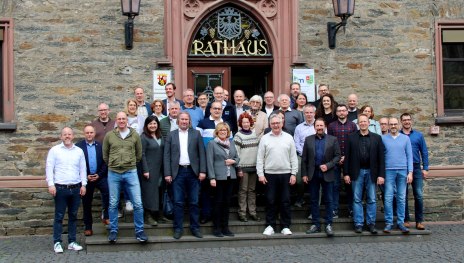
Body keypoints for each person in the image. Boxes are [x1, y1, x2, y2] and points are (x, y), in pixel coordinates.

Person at [103, 112, 147, 243]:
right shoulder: (109, 135)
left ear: (127, 120)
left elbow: (139, 154)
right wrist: (114, 164)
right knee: (113, 203)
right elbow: (105, 155)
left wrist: (130, 163)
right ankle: (113, 231)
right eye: (119, 119)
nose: (121, 121)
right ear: (116, 121)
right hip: (114, 173)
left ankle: (139, 231)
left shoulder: (134, 135)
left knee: (138, 203)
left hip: (131, 172)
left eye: (124, 119)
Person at [164, 112, 207, 239]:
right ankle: (178, 228)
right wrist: (167, 173)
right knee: (178, 202)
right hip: (177, 172)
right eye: (181, 119)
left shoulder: (196, 134)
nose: (184, 121)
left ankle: (195, 228)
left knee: (194, 202)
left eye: (186, 119)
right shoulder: (171, 135)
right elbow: (166, 155)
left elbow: (202, 154)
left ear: (189, 121)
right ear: (178, 121)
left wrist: (203, 171)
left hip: (193, 172)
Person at [46, 127, 87, 253]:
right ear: (61, 136)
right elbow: (49, 168)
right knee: (59, 216)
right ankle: (57, 242)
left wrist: (84, 184)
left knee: (73, 216)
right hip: (60, 189)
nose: (67, 136)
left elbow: (82, 169)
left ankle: (72, 241)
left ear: (73, 136)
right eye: (65, 134)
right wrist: (51, 185)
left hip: (75, 189)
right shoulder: (54, 150)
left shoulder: (79, 151)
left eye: (69, 134)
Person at [343, 114, 385, 234]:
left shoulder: (377, 138)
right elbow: (347, 157)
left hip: (372, 172)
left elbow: (381, 159)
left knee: (371, 199)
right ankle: (359, 223)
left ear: (369, 123)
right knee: (357, 199)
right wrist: (346, 173)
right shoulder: (351, 138)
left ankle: (371, 223)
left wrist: (381, 175)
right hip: (357, 172)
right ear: (358, 124)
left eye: (365, 121)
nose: (363, 123)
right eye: (360, 122)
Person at [257, 114, 298, 236]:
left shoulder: (289, 138)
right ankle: (270, 225)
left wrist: (294, 173)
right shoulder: (264, 138)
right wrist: (260, 174)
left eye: (278, 123)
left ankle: (285, 226)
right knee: (270, 200)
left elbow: (293, 157)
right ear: (270, 124)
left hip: (286, 174)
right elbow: (260, 158)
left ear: (282, 124)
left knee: (285, 201)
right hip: (269, 174)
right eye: (273, 123)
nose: (275, 125)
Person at [302, 118, 341, 237]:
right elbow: (304, 159)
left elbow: (338, 156)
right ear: (314, 127)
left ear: (325, 127)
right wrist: (304, 174)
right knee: (313, 200)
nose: (319, 127)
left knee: (329, 199)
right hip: (313, 173)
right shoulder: (308, 140)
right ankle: (315, 224)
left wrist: (328, 165)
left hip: (327, 173)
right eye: (317, 125)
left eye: (321, 125)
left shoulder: (332, 139)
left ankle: (329, 224)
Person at [76, 125, 109, 237]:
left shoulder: (100, 146)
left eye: (91, 132)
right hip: (86, 178)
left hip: (99, 176)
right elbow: (76, 164)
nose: (89, 134)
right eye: (87, 133)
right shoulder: (78, 147)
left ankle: (106, 215)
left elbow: (105, 162)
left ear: (94, 133)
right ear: (84, 134)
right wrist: (85, 176)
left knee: (108, 191)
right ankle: (88, 227)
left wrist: (99, 175)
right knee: (86, 203)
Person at [207, 123, 239, 237]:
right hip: (218, 178)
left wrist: (233, 161)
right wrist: (212, 177)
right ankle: (217, 228)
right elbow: (209, 162)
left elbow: (237, 158)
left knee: (227, 203)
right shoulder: (212, 143)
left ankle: (225, 227)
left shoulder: (231, 143)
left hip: (230, 177)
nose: (223, 132)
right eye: (221, 130)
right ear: (217, 132)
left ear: (228, 132)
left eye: (225, 130)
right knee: (218, 203)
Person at [382, 117, 413, 234]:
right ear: (388, 126)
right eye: (391, 124)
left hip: (402, 171)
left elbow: (409, 156)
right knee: (388, 197)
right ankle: (389, 222)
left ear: (399, 125)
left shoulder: (405, 139)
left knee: (401, 198)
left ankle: (401, 222)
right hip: (388, 171)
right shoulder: (383, 139)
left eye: (395, 124)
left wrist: (410, 172)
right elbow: (381, 157)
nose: (393, 126)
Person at [327, 104, 358, 218]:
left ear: (347, 112)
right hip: (335, 159)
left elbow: (355, 142)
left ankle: (351, 209)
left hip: (349, 159)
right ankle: (335, 209)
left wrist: (346, 156)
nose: (341, 112)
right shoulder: (331, 126)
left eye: (343, 111)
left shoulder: (353, 126)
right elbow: (329, 143)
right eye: (339, 111)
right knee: (335, 185)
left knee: (350, 185)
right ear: (336, 113)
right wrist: (338, 157)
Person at [400, 113, 429, 230]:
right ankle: (406, 220)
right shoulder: (398, 135)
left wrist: (425, 168)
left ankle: (419, 221)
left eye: (408, 120)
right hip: (403, 167)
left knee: (419, 195)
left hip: (416, 168)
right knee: (403, 195)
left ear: (411, 121)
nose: (407, 122)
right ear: (401, 122)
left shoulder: (418, 135)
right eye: (404, 120)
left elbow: (424, 152)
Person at [234, 112, 261, 222]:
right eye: (243, 122)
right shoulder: (238, 136)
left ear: (251, 123)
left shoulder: (255, 134)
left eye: (247, 122)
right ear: (240, 123)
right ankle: (242, 213)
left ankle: (253, 212)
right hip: (243, 168)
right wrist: (238, 168)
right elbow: (236, 153)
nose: (246, 124)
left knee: (252, 190)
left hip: (254, 167)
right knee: (243, 190)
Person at [140, 115, 164, 226]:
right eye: (150, 124)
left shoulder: (160, 136)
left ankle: (158, 214)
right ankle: (148, 215)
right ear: (146, 125)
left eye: (154, 123)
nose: (153, 125)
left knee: (159, 191)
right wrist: (145, 169)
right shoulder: (144, 137)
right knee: (149, 192)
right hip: (149, 169)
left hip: (160, 169)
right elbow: (142, 154)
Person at [293, 104, 316, 209]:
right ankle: (300, 198)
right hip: (301, 156)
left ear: (314, 113)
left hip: (316, 157)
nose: (309, 114)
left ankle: (314, 203)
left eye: (311, 112)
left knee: (315, 180)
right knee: (298, 180)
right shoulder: (299, 127)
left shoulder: (319, 125)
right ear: (304, 114)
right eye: (306, 112)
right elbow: (296, 143)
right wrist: (304, 154)